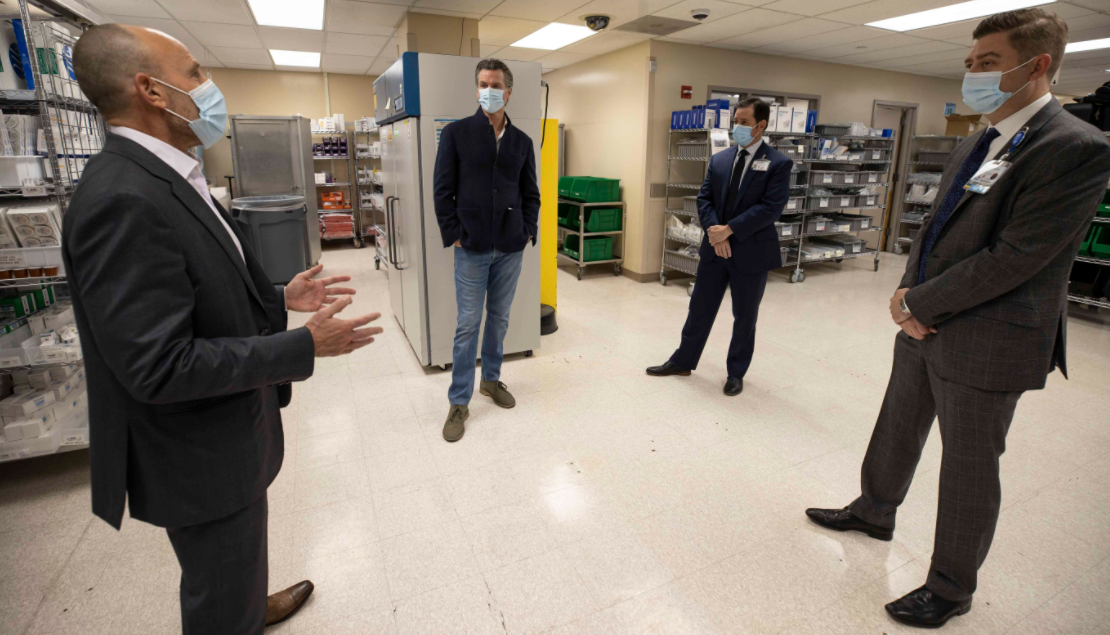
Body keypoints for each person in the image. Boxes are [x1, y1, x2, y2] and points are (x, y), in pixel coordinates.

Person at [66, 25, 383, 635]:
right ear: (150, 90)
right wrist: (303, 345)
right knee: (217, 588)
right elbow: (158, 365)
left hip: (227, 428)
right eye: (193, 73)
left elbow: (194, 290)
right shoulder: (122, 196)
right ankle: (234, 613)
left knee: (234, 562)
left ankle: (247, 600)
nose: (207, 87)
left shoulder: (168, 174)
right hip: (197, 453)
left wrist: (275, 297)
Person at [805, 8, 1110, 629]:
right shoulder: (981, 137)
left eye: (989, 63)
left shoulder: (1076, 149)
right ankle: (874, 509)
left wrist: (920, 303)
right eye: (970, 63)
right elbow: (934, 230)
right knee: (898, 424)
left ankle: (950, 587)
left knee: (969, 466)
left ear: (1038, 65)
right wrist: (906, 293)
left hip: (990, 338)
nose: (974, 74)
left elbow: (1017, 258)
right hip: (924, 319)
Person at [647, 98, 792, 396]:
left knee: (745, 316)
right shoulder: (721, 159)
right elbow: (704, 199)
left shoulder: (778, 163)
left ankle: (736, 373)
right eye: (735, 121)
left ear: (761, 126)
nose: (737, 127)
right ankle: (683, 360)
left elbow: (770, 208)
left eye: (744, 123)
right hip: (715, 249)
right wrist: (716, 233)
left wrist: (729, 231)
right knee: (699, 308)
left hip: (750, 252)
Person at [433, 58, 540, 442]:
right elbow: (442, 190)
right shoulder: (457, 134)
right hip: (472, 245)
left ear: (508, 92)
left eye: (495, 84)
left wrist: (528, 230)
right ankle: (459, 400)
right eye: (482, 83)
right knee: (467, 325)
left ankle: (491, 381)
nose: (488, 90)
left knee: (499, 318)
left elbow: (531, 194)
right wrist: (455, 233)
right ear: (476, 88)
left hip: (511, 246)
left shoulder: (522, 142)